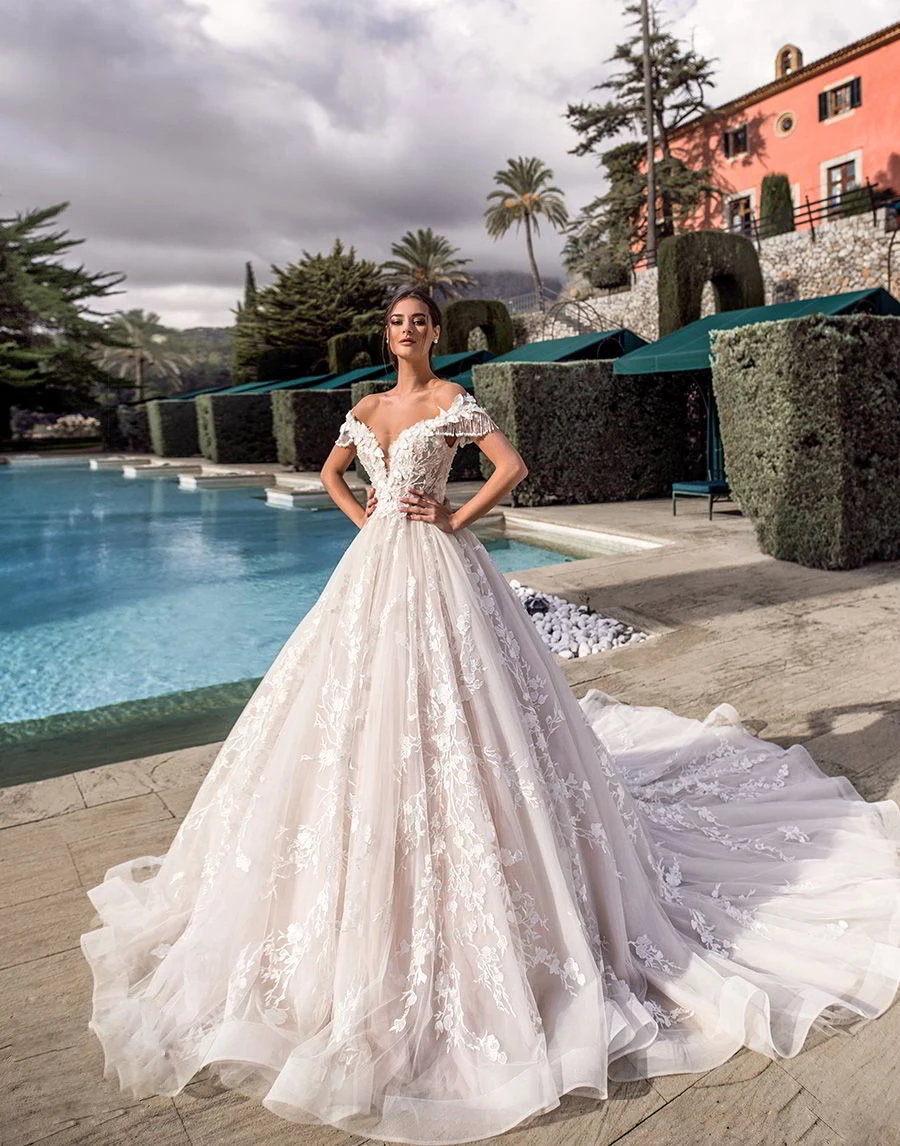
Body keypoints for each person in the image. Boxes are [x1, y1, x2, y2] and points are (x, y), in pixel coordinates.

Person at [80, 285, 900, 1146]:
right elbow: (331, 474)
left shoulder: (450, 401)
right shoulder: (364, 406)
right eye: (396, 322)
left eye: (419, 322)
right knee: (357, 718)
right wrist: (370, 521)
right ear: (386, 332)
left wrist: (453, 516)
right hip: (376, 572)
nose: (407, 332)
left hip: (443, 566)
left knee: (477, 712)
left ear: (434, 332)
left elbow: (511, 468)